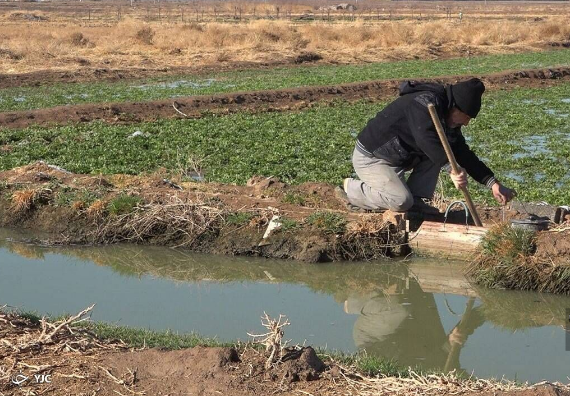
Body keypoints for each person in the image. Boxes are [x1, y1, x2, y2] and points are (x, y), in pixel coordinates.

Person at [336, 78, 516, 213]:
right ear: (457, 108)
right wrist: (452, 170)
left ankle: (417, 201)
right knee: (401, 201)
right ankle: (350, 189)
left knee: (442, 151)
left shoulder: (448, 118)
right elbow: (425, 138)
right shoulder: (424, 103)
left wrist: (492, 183)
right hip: (372, 157)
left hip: (398, 158)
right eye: (467, 118)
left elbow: (461, 152)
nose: (467, 123)